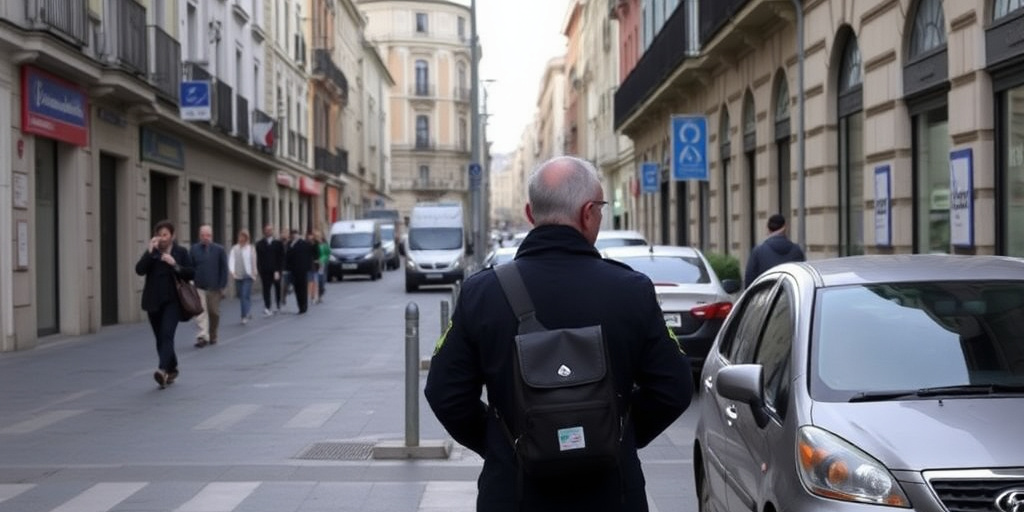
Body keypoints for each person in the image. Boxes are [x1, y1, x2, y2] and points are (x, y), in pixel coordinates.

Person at [424, 156, 693, 512]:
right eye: (599, 209)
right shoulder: (631, 289)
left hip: (513, 492)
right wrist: (612, 434)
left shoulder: (482, 292)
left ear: (530, 213)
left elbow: (444, 392)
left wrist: (503, 443)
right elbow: (674, 388)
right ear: (587, 213)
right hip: (613, 494)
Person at [135, 219, 194, 389]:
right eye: (159, 235)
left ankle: (162, 370)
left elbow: (191, 273)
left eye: (165, 235)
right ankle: (172, 367)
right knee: (160, 338)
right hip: (153, 302)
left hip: (173, 302)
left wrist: (175, 264)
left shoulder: (180, 252)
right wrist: (149, 251)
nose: (162, 238)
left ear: (172, 236)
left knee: (167, 334)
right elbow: (139, 270)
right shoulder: (152, 253)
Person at [190, 224, 229, 347]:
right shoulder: (194, 249)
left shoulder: (219, 250)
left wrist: (222, 286)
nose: (205, 237)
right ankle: (202, 336)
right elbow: (190, 267)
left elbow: (224, 269)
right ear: (199, 236)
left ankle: (213, 334)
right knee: (201, 312)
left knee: (214, 313)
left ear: (211, 236)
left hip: (215, 287)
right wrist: (191, 282)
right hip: (199, 286)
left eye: (208, 235)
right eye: (203, 235)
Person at [744, 213, 806, 286]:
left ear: (768, 229)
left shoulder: (758, 251)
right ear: (785, 227)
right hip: (791, 295)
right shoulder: (797, 251)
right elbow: (803, 277)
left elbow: (749, 280)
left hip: (767, 295)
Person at [228, 229, 258, 325]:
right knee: (242, 296)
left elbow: (254, 261)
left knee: (245, 295)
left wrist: (254, 272)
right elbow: (231, 260)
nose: (242, 239)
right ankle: (248, 310)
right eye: (240, 237)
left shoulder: (251, 248)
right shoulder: (234, 249)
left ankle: (243, 315)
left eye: (244, 237)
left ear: (247, 238)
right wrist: (232, 271)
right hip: (238, 275)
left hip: (248, 275)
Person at [255, 223, 284, 315]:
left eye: (270, 230)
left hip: (276, 271)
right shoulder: (260, 244)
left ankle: (278, 304)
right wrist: (259, 269)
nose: (268, 232)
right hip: (265, 271)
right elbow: (258, 258)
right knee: (266, 289)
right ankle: (267, 306)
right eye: (267, 230)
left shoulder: (278, 244)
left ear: (272, 231)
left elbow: (281, 258)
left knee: (277, 287)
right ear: (264, 231)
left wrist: (279, 270)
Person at [284, 229, 313, 314]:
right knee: (297, 289)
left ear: (298, 235)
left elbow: (309, 255)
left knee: (303, 288)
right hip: (294, 270)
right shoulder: (290, 244)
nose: (293, 236)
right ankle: (300, 306)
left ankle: (304, 306)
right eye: (292, 235)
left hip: (302, 270)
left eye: (295, 234)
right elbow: (287, 257)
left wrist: (308, 267)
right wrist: (287, 269)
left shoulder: (304, 243)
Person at [305, 231, 321, 305]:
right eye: (309, 236)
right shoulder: (306, 244)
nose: (310, 237)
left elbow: (318, 254)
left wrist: (318, 261)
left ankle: (315, 296)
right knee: (310, 281)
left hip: (315, 265)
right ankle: (311, 296)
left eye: (311, 236)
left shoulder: (316, 244)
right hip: (308, 265)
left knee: (315, 281)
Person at [316, 232, 330, 301]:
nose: (318, 238)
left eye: (318, 237)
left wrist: (322, 260)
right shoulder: (315, 245)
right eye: (316, 237)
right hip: (315, 265)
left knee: (322, 280)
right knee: (316, 280)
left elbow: (328, 254)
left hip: (323, 265)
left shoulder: (325, 245)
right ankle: (317, 295)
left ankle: (320, 294)